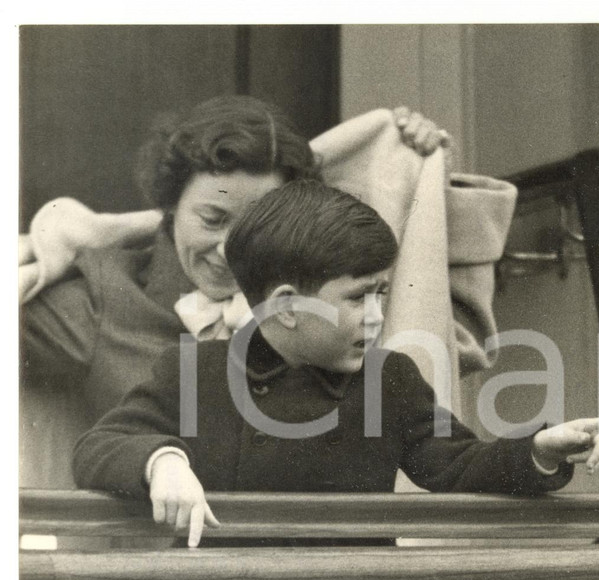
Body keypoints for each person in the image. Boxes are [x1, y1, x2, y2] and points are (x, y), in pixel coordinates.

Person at [72, 180, 599, 548]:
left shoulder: (388, 380)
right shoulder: (194, 370)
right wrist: (163, 464)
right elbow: (98, 447)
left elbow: (457, 463)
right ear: (289, 306)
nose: (375, 316)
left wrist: (537, 449)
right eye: (357, 297)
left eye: (381, 294)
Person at [20, 95, 449, 427]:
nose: (230, 249)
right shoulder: (102, 297)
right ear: (170, 205)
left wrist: (424, 174)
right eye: (212, 218)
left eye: (256, 224)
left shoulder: (329, 294)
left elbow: (440, 319)